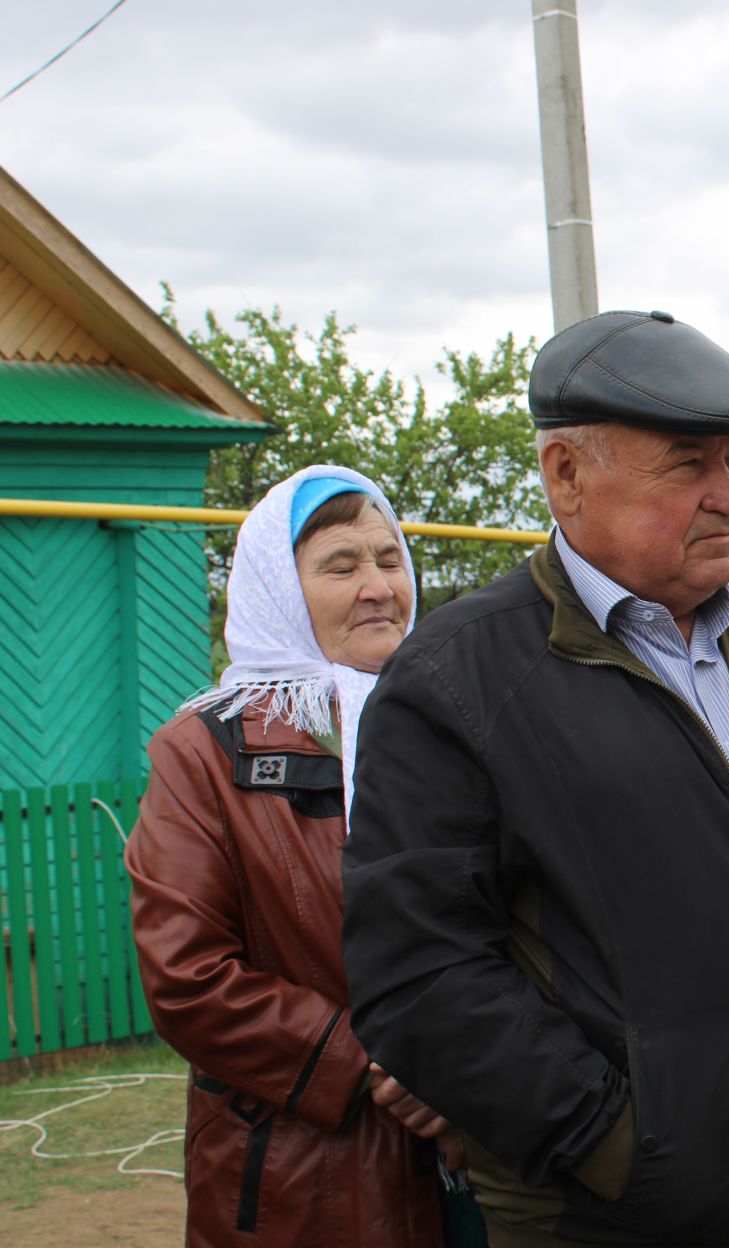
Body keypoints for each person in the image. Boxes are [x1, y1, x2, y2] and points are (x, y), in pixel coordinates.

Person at [340, 310, 729, 1248]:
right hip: (612, 1225)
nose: (728, 497)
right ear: (566, 475)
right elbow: (420, 972)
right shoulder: (458, 682)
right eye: (687, 464)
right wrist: (615, 1143)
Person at [127, 465, 453, 1247]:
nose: (378, 586)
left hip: (481, 1148)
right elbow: (188, 976)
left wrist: (481, 1066)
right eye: (341, 565)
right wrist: (379, 1067)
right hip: (301, 1179)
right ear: (278, 586)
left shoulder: (457, 722)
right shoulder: (205, 753)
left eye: (390, 557)